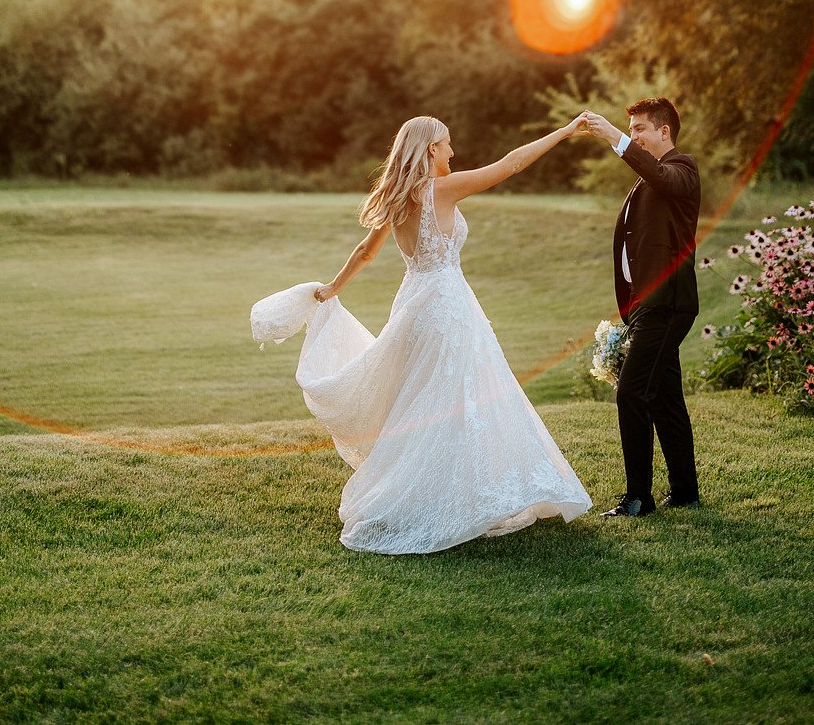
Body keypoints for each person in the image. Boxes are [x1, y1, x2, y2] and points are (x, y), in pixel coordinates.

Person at [250, 115, 593, 554]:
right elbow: (510, 166)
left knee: (424, 400)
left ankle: (438, 493)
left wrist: (332, 288)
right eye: (447, 144)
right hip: (447, 309)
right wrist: (564, 133)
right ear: (431, 149)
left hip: (415, 305)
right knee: (458, 398)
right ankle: (446, 500)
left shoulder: (396, 197)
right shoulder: (438, 190)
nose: (453, 151)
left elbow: (365, 251)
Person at [583, 98, 701, 516]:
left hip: (667, 304)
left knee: (632, 393)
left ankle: (638, 497)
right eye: (630, 129)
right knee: (665, 396)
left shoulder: (682, 169)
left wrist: (614, 138)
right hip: (645, 306)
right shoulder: (648, 180)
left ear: (663, 131)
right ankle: (685, 491)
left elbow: (662, 176)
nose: (633, 135)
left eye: (639, 129)